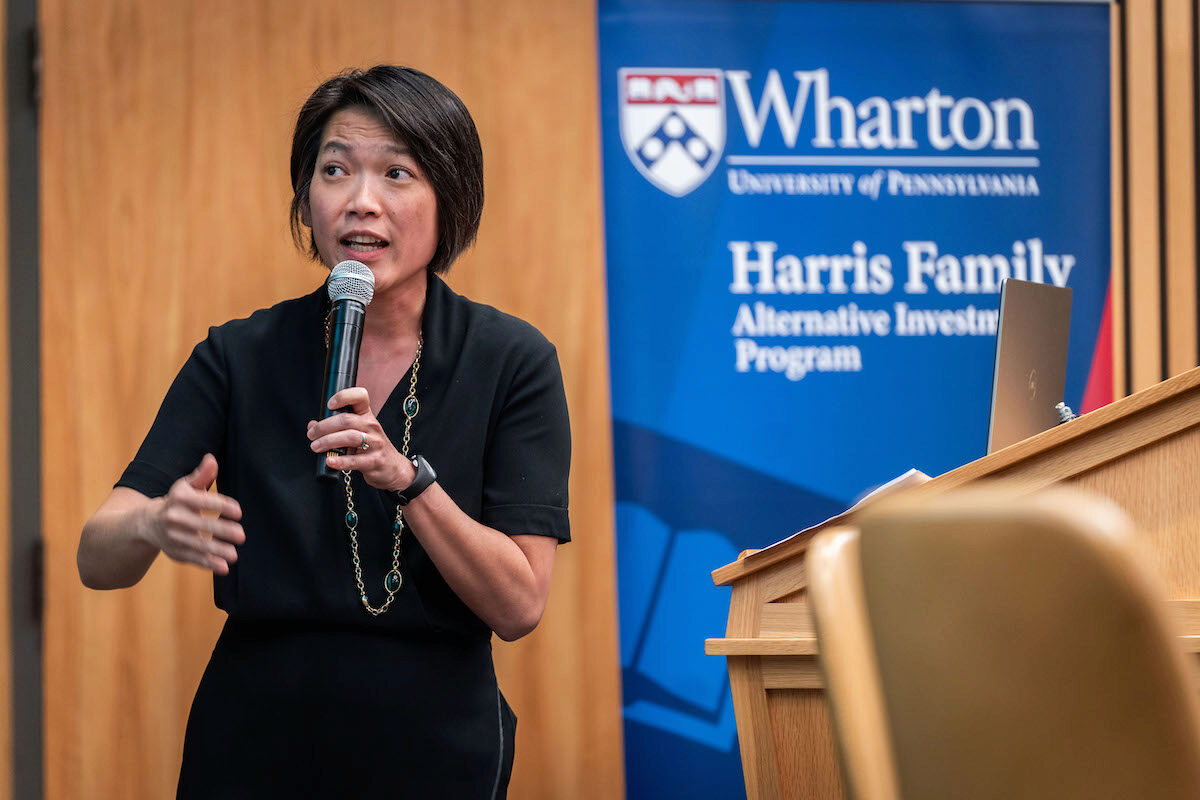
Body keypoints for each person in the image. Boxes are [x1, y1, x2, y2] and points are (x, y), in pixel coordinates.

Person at [76, 65, 570, 798]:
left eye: (398, 173)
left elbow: (520, 605)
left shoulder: (510, 360)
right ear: (307, 199)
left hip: (435, 750)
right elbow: (96, 554)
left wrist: (409, 481)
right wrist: (152, 521)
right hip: (252, 747)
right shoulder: (239, 356)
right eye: (335, 169)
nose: (361, 202)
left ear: (450, 199)